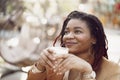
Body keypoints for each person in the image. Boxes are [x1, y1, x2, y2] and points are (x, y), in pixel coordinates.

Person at [27, 11, 120, 80]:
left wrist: (87, 72)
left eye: (77, 31)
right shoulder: (55, 61)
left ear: (94, 38)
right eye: (66, 32)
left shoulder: (113, 70)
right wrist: (40, 67)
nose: (68, 36)